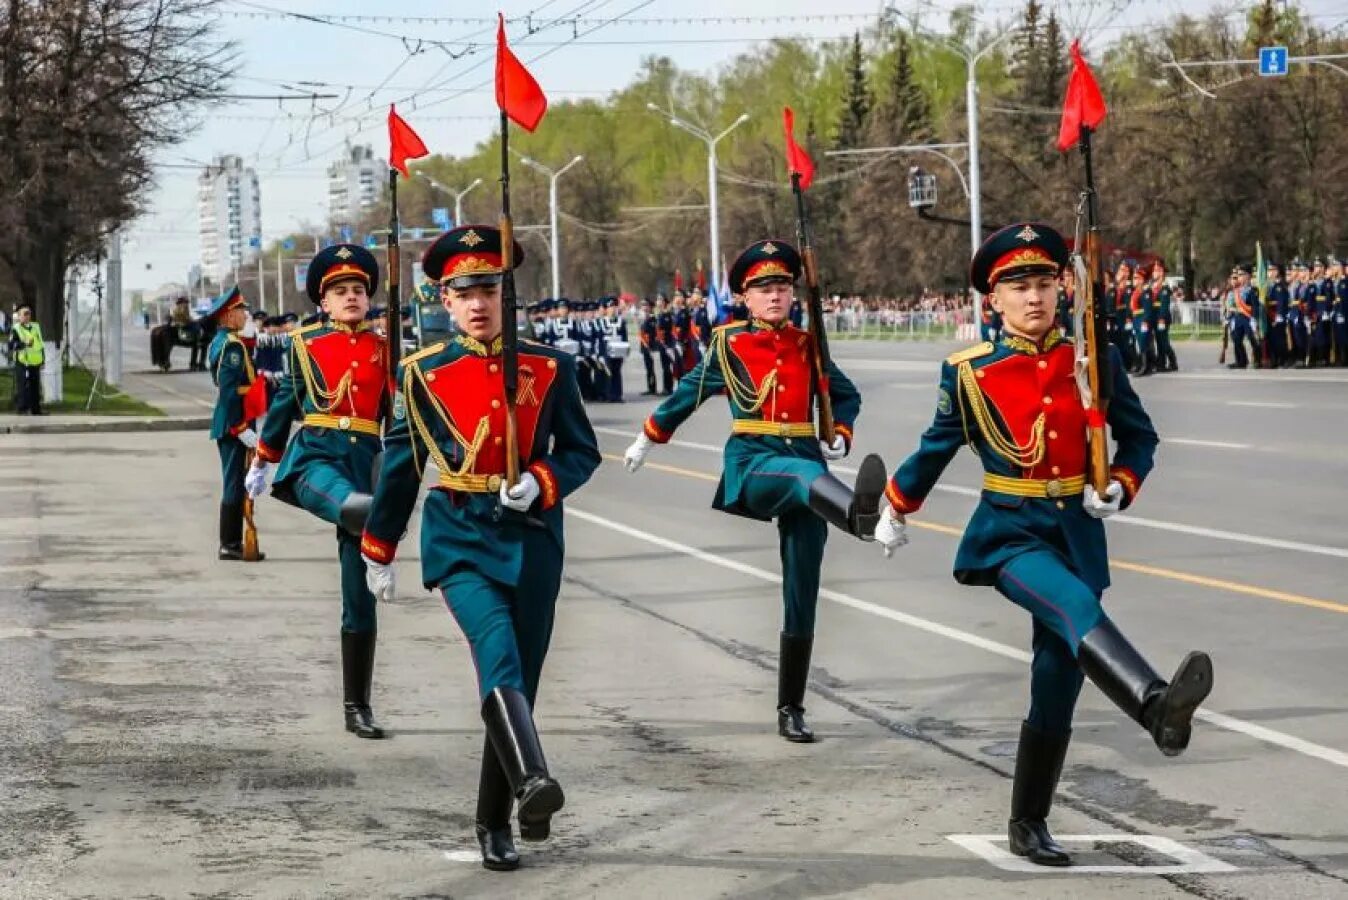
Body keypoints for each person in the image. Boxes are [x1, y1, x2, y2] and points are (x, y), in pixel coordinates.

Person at [873, 223, 1213, 868]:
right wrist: (895, 505)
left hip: (1077, 531)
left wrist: (1120, 482)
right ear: (992, 302)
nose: (1035, 298)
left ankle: (1028, 823)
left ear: (1063, 289)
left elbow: (1140, 438)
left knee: (1056, 682)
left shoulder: (1091, 359)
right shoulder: (969, 372)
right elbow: (935, 448)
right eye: (1019, 287)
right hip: (1010, 535)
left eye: (1045, 284)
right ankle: (1153, 704)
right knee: (1075, 606)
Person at [359, 225, 600, 871]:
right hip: (461, 532)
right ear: (444, 297)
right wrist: (377, 547)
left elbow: (581, 451)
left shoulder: (549, 366)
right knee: (496, 653)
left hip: (534, 541)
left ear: (505, 292)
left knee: (519, 682)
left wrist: (542, 481)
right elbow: (401, 467)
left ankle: (498, 818)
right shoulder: (422, 373)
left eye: (489, 289)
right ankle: (533, 783)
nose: (478, 303)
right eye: (464, 292)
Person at [623, 239, 887, 743]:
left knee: (803, 586)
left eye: (783, 287)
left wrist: (840, 432)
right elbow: (687, 393)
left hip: (809, 462)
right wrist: (647, 438)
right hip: (757, 462)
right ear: (745, 296)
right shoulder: (728, 343)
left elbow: (846, 395)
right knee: (801, 477)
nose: (774, 296)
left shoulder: (810, 345)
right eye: (764, 289)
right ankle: (857, 515)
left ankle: (791, 707)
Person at [244, 244, 391, 740]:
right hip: (316, 459)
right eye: (340, 292)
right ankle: (375, 535)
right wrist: (264, 459)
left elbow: (403, 419)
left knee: (360, 592)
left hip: (365, 464)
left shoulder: (385, 349)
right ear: (323, 303)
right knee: (358, 510)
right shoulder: (305, 345)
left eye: (358, 290)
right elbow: (285, 404)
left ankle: (357, 706)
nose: (351, 297)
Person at [205, 287, 265, 561]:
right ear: (229, 315)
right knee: (234, 483)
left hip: (234, 420)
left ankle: (232, 542)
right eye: (241, 311)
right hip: (234, 424)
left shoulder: (224, 341)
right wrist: (241, 429)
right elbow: (229, 391)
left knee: (237, 482)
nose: (245, 315)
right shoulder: (231, 346)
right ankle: (229, 543)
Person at [10, 305, 45, 415]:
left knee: (35, 385)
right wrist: (23, 344)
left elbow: (40, 344)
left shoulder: (36, 326)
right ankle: (22, 408)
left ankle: (36, 409)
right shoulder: (16, 328)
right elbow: (11, 345)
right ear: (19, 316)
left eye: (28, 313)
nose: (27, 316)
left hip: (35, 360)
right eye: (24, 314)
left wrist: (43, 359)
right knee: (23, 385)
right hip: (22, 361)